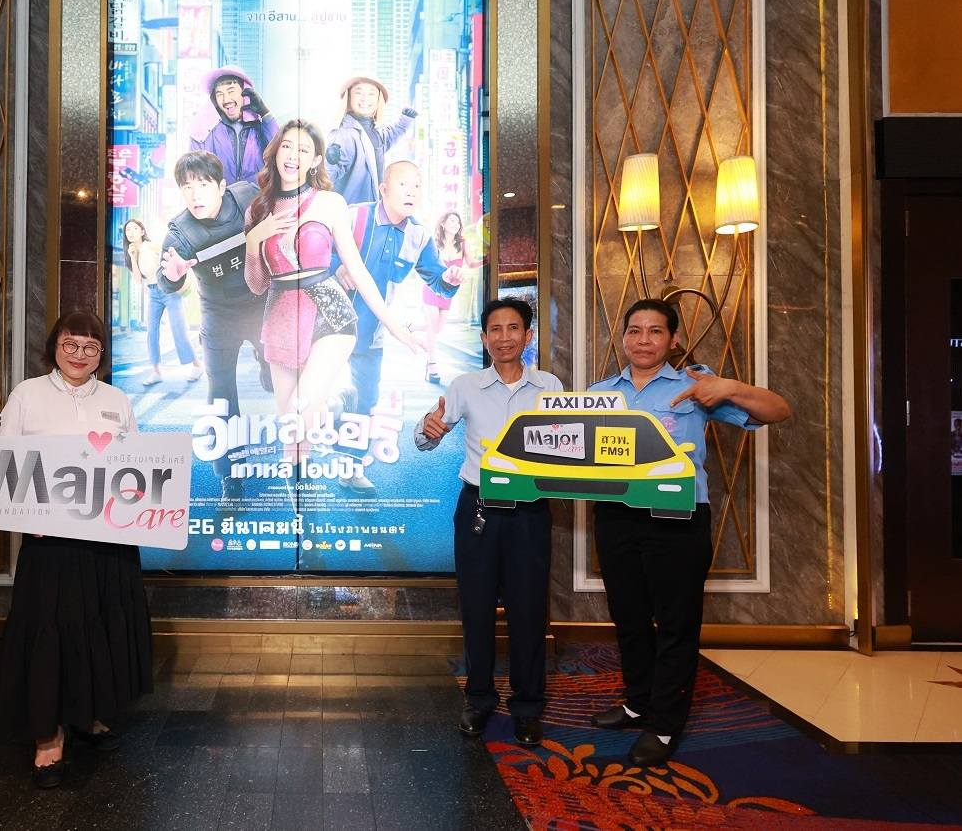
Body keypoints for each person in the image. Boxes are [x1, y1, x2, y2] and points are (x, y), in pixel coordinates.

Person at [587, 298, 791, 768]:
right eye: (634, 331)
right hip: (616, 517)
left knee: (676, 624)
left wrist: (730, 386)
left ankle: (664, 723)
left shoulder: (698, 387)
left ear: (673, 339)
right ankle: (637, 703)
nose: (643, 340)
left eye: (655, 331)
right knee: (629, 618)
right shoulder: (600, 394)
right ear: (623, 337)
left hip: (677, 518)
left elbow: (778, 411)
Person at [0, 309, 153, 789]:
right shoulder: (27, 394)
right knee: (51, 630)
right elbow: (5, 463)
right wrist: (28, 517)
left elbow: (137, 466)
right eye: (70, 344)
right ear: (54, 347)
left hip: (107, 542)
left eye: (90, 346)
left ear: (101, 353)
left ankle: (92, 713)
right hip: (50, 543)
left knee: (102, 624)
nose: (79, 354)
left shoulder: (117, 400)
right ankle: (49, 734)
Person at [415, 297, 561, 747]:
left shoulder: (550, 387)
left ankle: (527, 706)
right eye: (495, 329)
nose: (504, 337)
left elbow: (567, 448)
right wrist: (426, 428)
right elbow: (426, 438)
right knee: (476, 609)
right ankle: (478, 698)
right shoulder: (465, 386)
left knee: (528, 611)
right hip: (478, 509)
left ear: (528, 336)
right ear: (483, 338)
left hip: (530, 511)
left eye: (513, 328)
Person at [244, 119, 420, 467]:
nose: (292, 155)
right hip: (280, 318)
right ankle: (304, 499)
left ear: (315, 160)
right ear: (276, 152)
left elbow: (358, 271)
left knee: (300, 411)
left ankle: (330, 406)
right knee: (292, 436)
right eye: (287, 146)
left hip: (331, 313)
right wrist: (253, 240)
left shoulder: (329, 203)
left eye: (303, 150)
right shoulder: (258, 210)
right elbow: (257, 285)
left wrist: (395, 326)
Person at [334, 161, 460, 492]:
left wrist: (449, 280)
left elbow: (437, 280)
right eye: (404, 184)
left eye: (417, 186)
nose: (411, 192)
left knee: (366, 400)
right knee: (320, 398)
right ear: (383, 189)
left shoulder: (419, 235)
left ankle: (351, 468)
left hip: (371, 332)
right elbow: (317, 254)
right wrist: (336, 268)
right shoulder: (353, 217)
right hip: (327, 329)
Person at [157, 150, 271, 500]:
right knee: (220, 392)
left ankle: (267, 364)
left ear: (222, 187)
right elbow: (166, 282)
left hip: (262, 302)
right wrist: (174, 277)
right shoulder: (180, 232)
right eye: (187, 187)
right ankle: (230, 475)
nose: (195, 195)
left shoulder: (247, 197)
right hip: (218, 312)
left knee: (280, 374)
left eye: (203, 185)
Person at [121, 218, 202, 386]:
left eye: (134, 228)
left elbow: (172, 260)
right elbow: (137, 280)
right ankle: (156, 372)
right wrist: (133, 257)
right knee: (152, 332)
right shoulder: (132, 253)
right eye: (128, 230)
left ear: (142, 231)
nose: (131, 232)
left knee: (178, 329)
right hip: (153, 293)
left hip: (168, 290)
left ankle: (197, 365)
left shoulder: (152, 246)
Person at [325, 75, 418, 205]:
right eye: (358, 92)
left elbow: (391, 135)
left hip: (373, 208)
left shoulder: (376, 131)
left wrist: (404, 121)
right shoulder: (344, 135)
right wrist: (331, 161)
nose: (365, 98)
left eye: (371, 94)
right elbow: (329, 178)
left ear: (379, 99)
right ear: (349, 97)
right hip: (352, 209)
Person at [188, 66, 279, 185]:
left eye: (231, 91)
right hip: (222, 196)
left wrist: (266, 114)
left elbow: (279, 151)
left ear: (245, 92)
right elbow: (195, 172)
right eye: (219, 94)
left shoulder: (261, 127)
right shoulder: (206, 132)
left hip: (258, 196)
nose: (226, 100)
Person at [421, 212, 478, 384]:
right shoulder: (433, 243)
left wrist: (489, 258)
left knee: (438, 327)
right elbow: (425, 265)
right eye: (452, 221)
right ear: (443, 224)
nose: (456, 224)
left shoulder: (462, 243)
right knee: (433, 324)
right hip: (432, 287)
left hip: (448, 292)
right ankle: (431, 365)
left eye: (458, 222)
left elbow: (472, 263)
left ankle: (413, 327)